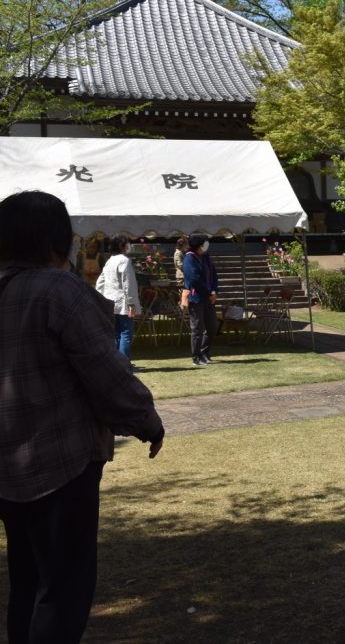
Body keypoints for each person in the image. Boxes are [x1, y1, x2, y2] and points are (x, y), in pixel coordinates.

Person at [0, 190, 164, 644]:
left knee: (27, 583)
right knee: (63, 588)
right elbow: (107, 374)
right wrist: (146, 420)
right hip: (60, 464)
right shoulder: (59, 291)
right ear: (58, 240)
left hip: (7, 469)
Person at [95, 233, 141, 362]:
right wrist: (131, 303)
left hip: (110, 302)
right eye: (126, 242)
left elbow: (100, 282)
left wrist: (101, 299)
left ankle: (116, 363)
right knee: (126, 333)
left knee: (116, 334)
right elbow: (128, 283)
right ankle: (124, 363)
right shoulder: (124, 260)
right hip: (123, 302)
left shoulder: (109, 260)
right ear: (122, 245)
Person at [182, 232, 219, 366]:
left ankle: (205, 352)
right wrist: (209, 292)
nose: (206, 244)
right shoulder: (189, 259)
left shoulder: (206, 257)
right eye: (204, 242)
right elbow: (194, 279)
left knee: (212, 326)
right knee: (197, 328)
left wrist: (214, 290)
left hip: (209, 297)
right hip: (197, 297)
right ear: (199, 244)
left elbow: (214, 275)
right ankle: (196, 356)